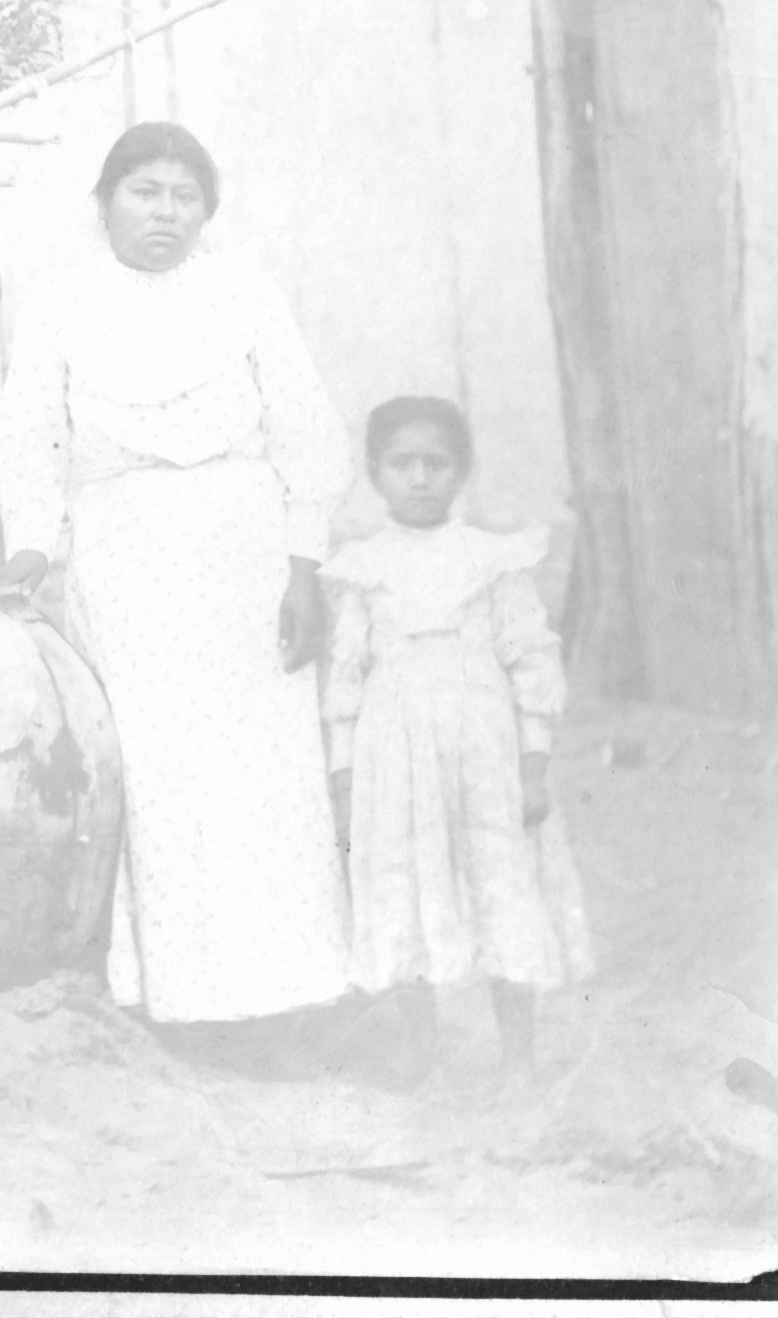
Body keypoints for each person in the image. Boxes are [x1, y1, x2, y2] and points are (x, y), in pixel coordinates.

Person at [0, 122, 355, 1068]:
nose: (164, 211)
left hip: (243, 555)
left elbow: (305, 428)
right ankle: (176, 1006)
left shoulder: (242, 291)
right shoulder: (61, 304)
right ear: (103, 201)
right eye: (144, 191)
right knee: (157, 776)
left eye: (184, 196)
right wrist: (31, 546)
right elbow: (31, 441)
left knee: (262, 775)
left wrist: (302, 564)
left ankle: (291, 1000)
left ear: (206, 211)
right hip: (126, 561)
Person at [323, 396, 594, 1078]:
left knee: (501, 885)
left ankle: (517, 1060)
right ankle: (426, 1055)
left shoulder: (492, 559)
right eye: (401, 463)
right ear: (375, 473)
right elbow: (346, 683)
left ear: (461, 471)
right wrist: (343, 773)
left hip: (484, 755)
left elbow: (531, 661)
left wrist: (533, 764)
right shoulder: (362, 567)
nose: (419, 478)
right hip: (396, 760)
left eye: (435, 463)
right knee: (401, 893)